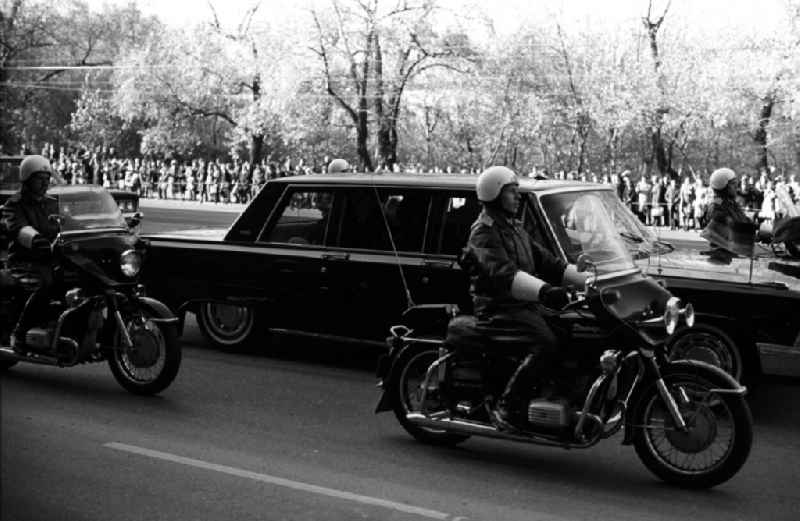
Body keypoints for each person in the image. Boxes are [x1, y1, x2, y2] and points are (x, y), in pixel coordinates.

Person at [458, 166, 587, 430]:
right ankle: (508, 405)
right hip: (497, 308)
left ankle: (555, 393)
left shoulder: (515, 227)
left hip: (522, 305)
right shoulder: (483, 232)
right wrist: (545, 291)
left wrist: (590, 281)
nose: (517, 197)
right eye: (511, 192)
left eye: (517, 192)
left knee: (572, 328)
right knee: (545, 342)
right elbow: (503, 274)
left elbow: (548, 262)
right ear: (494, 195)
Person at [1, 155, 60, 352]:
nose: (45, 183)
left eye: (47, 178)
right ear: (27, 179)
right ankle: (19, 332)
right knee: (47, 283)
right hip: (24, 262)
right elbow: (17, 227)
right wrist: (35, 240)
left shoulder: (52, 203)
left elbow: (73, 223)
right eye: (39, 178)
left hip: (51, 257)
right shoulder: (14, 204)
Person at [701, 167, 754, 263]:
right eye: (733, 184)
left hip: (731, 252)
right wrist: (753, 230)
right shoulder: (717, 206)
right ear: (724, 186)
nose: (736, 187)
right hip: (721, 256)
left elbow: (743, 219)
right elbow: (731, 225)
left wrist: (759, 227)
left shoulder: (730, 203)